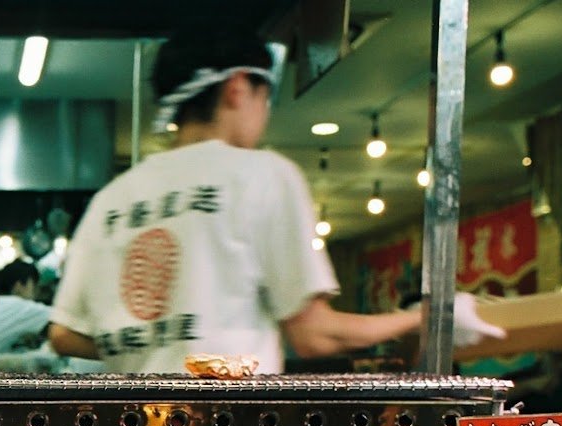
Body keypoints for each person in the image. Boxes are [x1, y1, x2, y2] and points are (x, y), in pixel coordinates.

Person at [49, 28, 497, 374]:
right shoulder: (261, 175)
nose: (264, 113)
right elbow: (314, 336)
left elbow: (65, 335)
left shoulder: (110, 200)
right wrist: (423, 317)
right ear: (239, 87)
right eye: (266, 98)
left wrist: (145, 339)